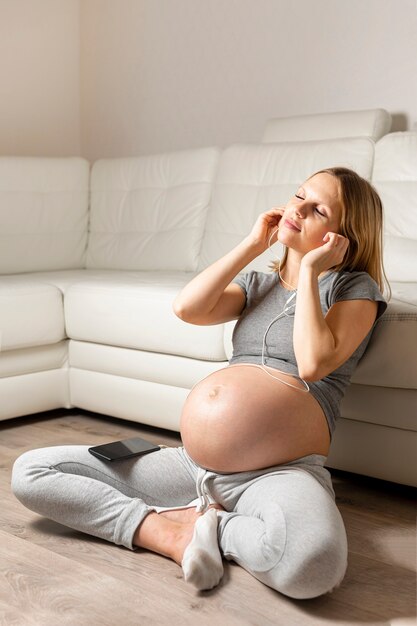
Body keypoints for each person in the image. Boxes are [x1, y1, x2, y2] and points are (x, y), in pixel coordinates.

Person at [11, 167, 388, 599]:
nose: (296, 209)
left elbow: (313, 363)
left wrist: (308, 272)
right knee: (33, 471)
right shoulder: (259, 284)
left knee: (312, 566)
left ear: (344, 235)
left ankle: (218, 526)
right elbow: (187, 308)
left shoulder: (354, 288)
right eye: (297, 196)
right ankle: (169, 533)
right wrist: (253, 244)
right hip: (192, 465)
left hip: (278, 472)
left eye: (317, 209)